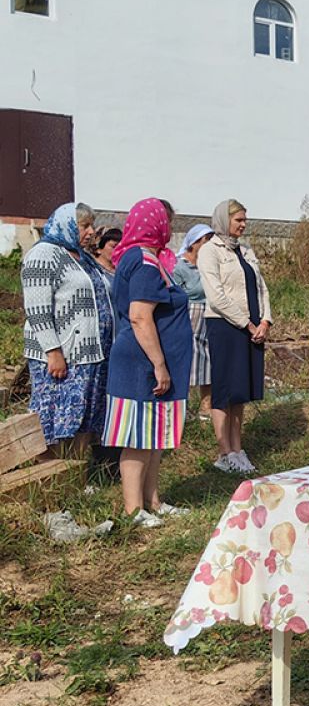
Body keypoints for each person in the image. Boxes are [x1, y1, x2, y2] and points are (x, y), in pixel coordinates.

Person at [102, 198, 193, 527]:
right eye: (166, 220)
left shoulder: (148, 258)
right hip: (141, 362)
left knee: (153, 436)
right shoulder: (142, 261)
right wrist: (159, 363)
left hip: (151, 361)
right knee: (138, 438)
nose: (169, 227)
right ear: (155, 223)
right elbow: (140, 317)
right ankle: (133, 510)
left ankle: (152, 501)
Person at [21, 202, 113, 459]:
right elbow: (37, 309)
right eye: (85, 226)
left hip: (89, 354)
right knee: (51, 414)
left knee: (83, 415)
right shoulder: (43, 254)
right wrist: (53, 352)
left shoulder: (81, 257)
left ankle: (77, 472)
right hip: (61, 354)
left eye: (91, 226)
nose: (91, 231)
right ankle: (50, 473)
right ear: (67, 225)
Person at [198, 199, 272, 474]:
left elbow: (261, 286)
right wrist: (247, 324)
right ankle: (224, 451)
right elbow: (216, 296)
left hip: (252, 326)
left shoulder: (246, 249)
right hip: (226, 326)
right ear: (223, 220)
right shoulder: (210, 251)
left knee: (241, 390)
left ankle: (238, 449)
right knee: (225, 389)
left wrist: (265, 320)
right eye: (238, 220)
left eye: (244, 219)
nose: (243, 224)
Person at [172, 224, 216, 417]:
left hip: (210, 314)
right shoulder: (181, 267)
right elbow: (176, 295)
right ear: (195, 243)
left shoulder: (210, 265)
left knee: (209, 359)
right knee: (189, 359)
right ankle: (184, 407)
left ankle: (206, 405)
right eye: (206, 241)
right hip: (189, 315)